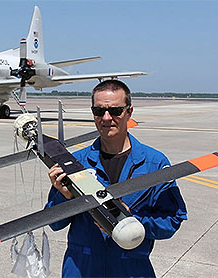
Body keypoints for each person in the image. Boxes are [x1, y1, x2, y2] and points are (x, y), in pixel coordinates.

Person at [46, 80, 187, 277]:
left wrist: (132, 223)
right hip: (82, 269)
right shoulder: (75, 163)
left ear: (129, 112)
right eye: (98, 111)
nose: (106, 118)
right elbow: (54, 224)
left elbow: (172, 220)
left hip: (130, 269)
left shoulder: (154, 163)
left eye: (115, 111)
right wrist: (64, 197)